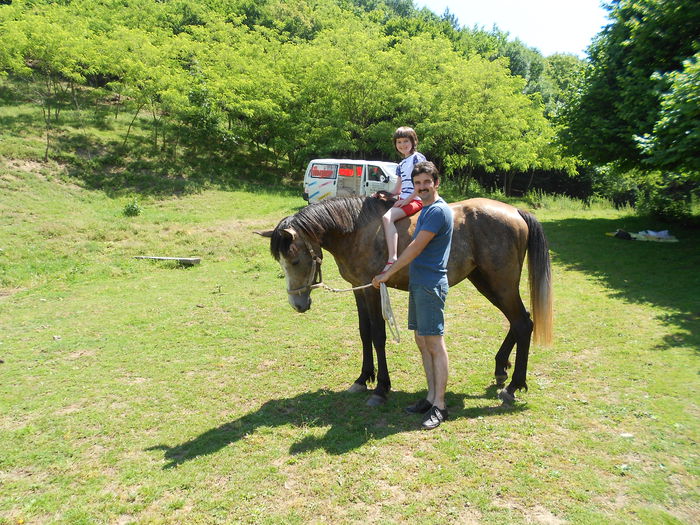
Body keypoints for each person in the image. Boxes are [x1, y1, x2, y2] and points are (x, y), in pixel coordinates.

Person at [372, 161, 453, 430]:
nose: (422, 188)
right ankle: (430, 397)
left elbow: (415, 249)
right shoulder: (427, 209)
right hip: (419, 283)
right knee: (422, 340)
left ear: (436, 183)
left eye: (426, 183)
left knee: (434, 344)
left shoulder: (437, 212)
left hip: (430, 285)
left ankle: (440, 405)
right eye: (417, 184)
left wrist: (387, 273)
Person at [377, 127, 426, 274]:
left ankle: (392, 258)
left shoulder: (417, 158)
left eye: (406, 141)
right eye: (399, 142)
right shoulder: (400, 165)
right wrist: (384, 195)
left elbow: (423, 183)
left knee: (387, 218)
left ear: (413, 141)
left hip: (416, 199)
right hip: (405, 198)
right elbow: (397, 190)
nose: (402, 145)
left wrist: (406, 201)